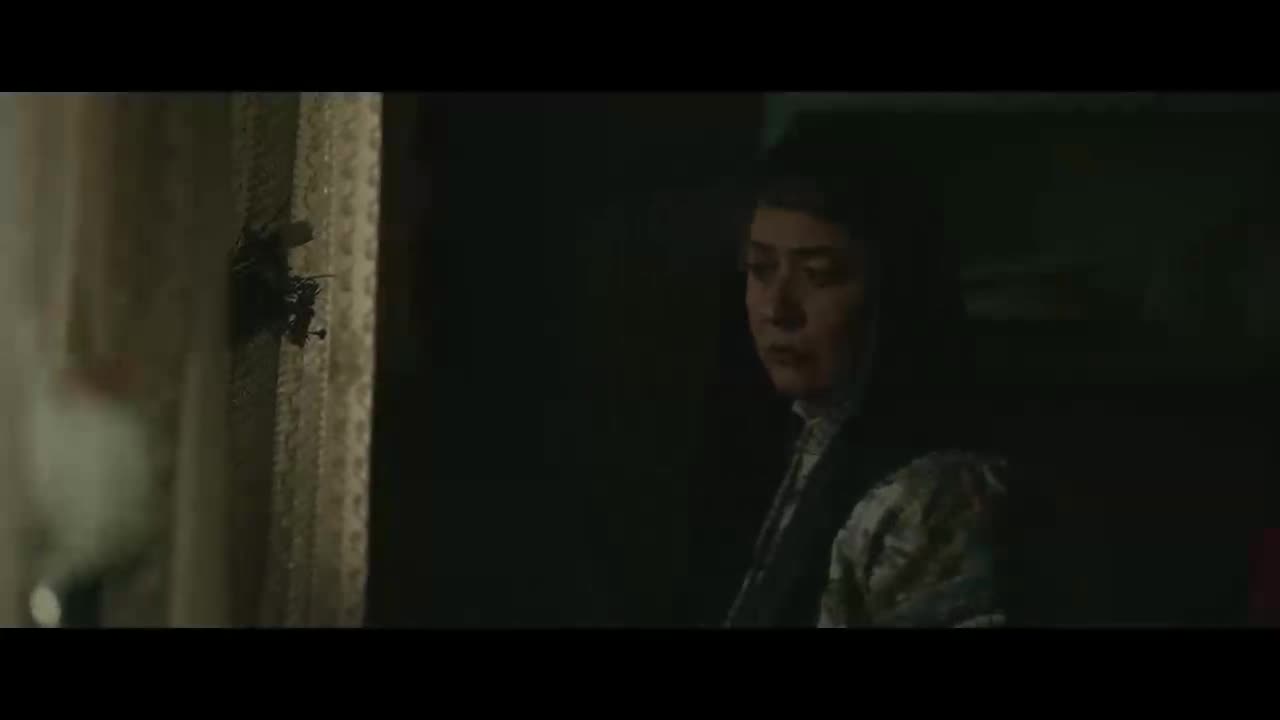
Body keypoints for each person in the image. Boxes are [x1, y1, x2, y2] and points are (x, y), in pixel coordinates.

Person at [723, 116, 1010, 628]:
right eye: (760, 270)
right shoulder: (801, 437)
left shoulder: (931, 497)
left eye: (819, 275)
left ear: (895, 291)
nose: (778, 308)